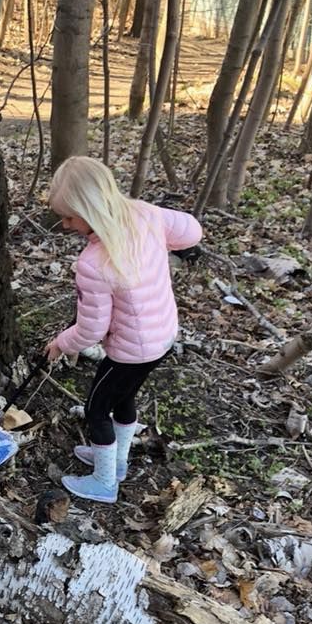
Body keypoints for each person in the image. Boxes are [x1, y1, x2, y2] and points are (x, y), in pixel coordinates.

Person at [44, 157, 202, 504]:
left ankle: (104, 482)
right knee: (124, 397)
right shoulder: (146, 214)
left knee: (97, 408)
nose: (65, 225)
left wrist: (61, 344)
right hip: (162, 336)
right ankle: (116, 462)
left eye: (70, 217)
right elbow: (191, 230)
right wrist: (163, 240)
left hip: (130, 348)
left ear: (92, 209)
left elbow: (91, 329)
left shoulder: (93, 264)